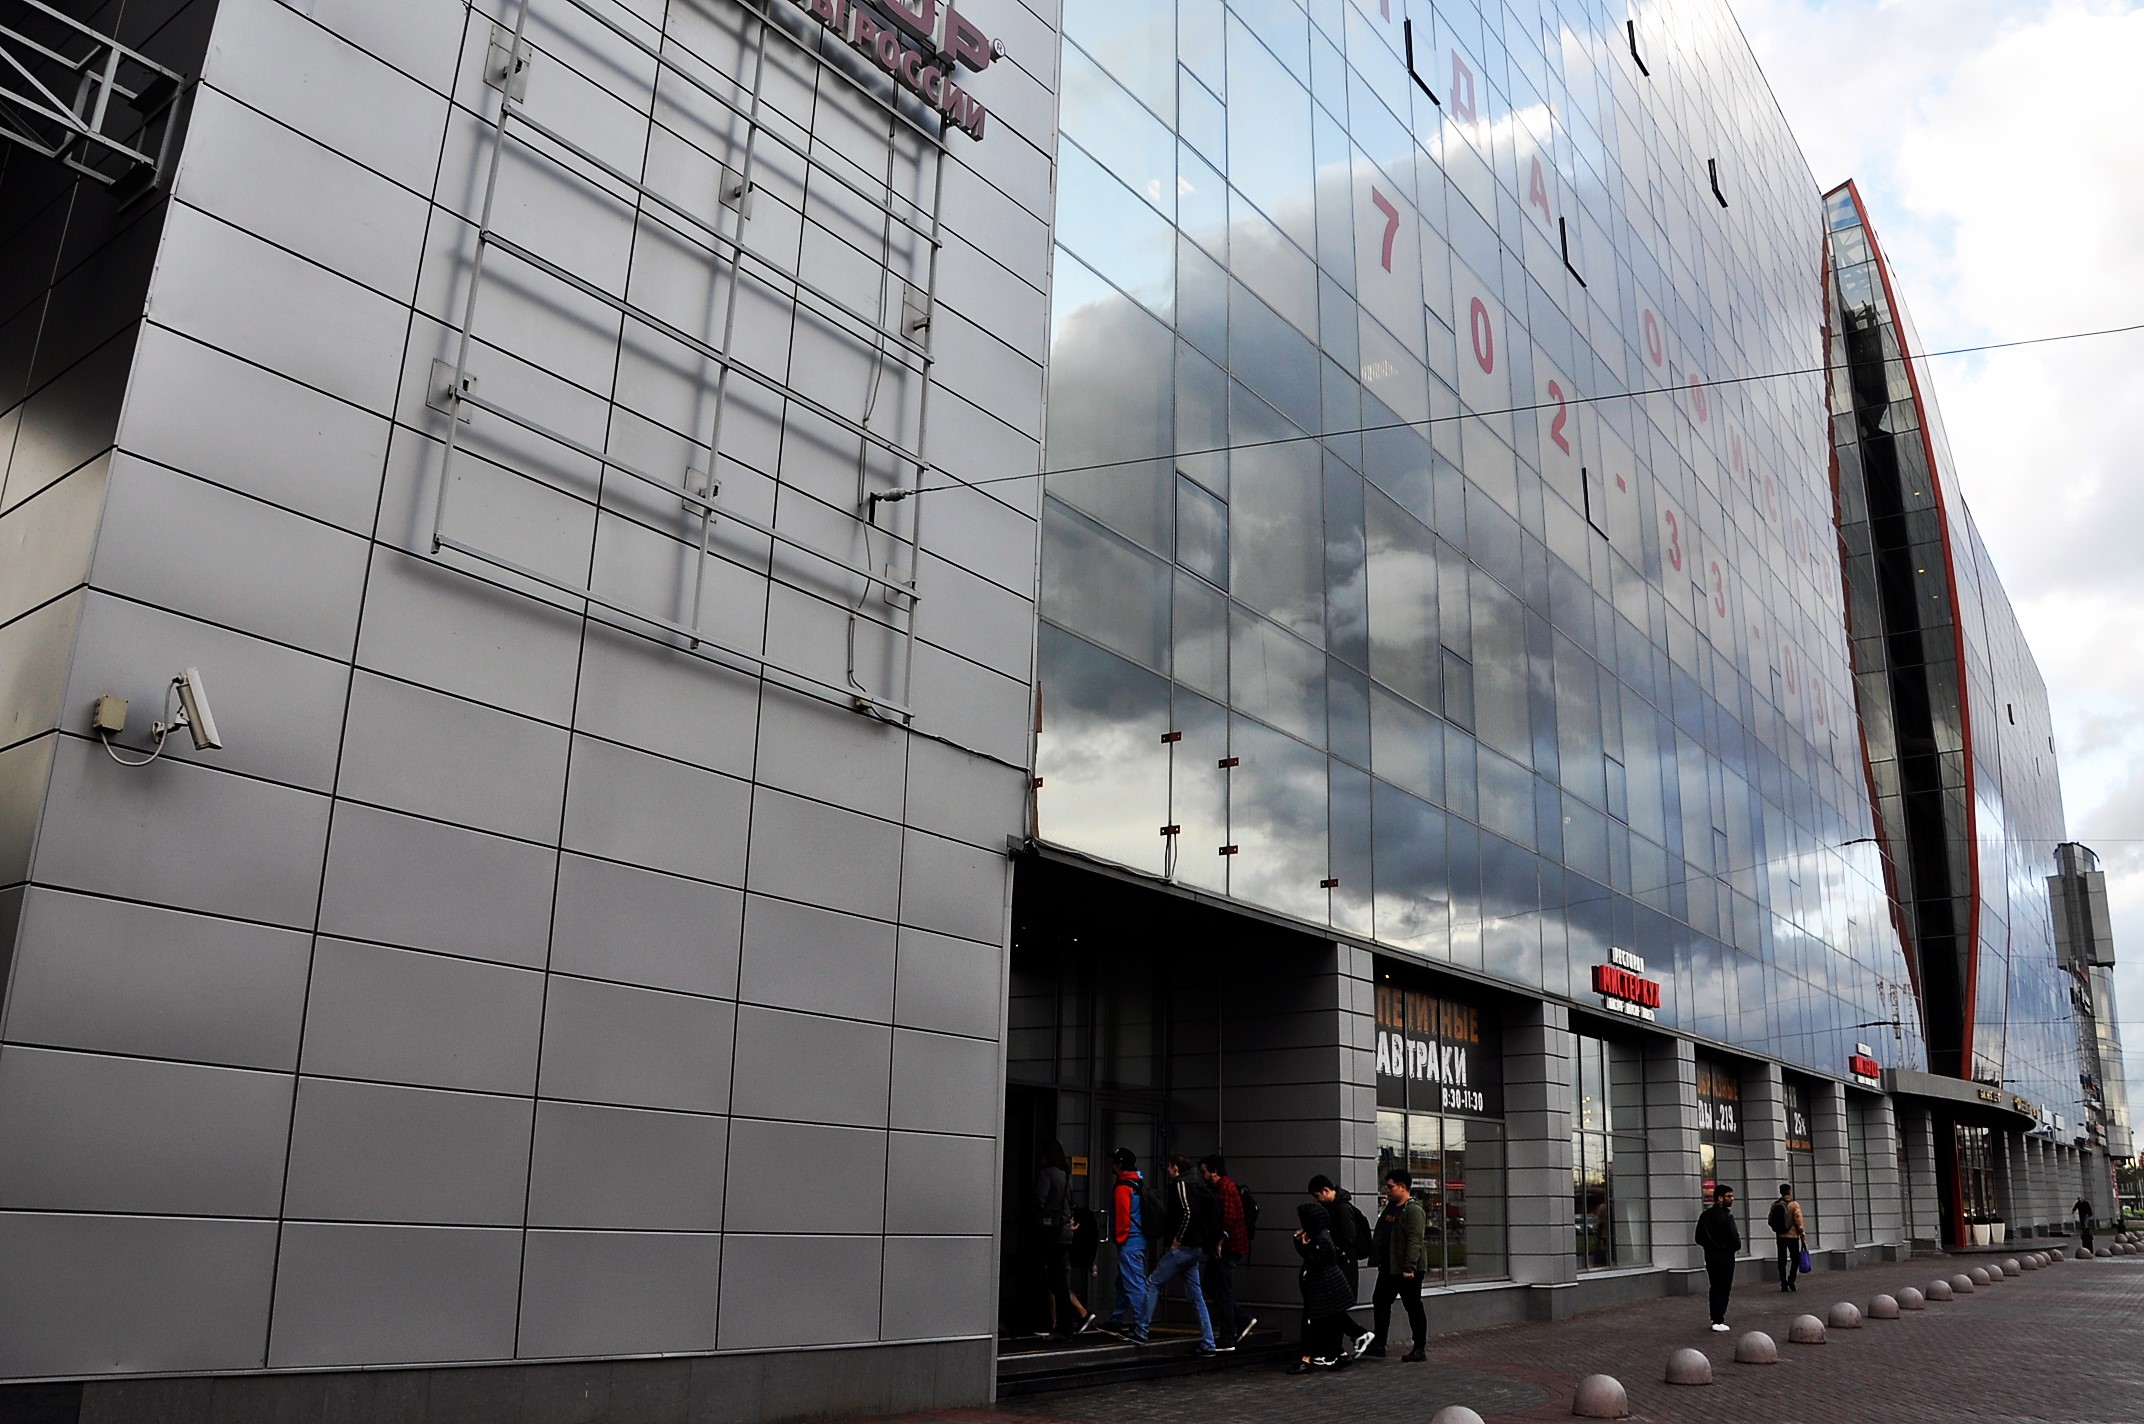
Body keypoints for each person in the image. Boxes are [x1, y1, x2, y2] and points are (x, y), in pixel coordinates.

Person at [1136, 1155, 1220, 1355]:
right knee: (1197, 1297)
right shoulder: (1196, 1184)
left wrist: (1178, 1239)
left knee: (1153, 1283)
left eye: (1169, 1166)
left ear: (1175, 1168)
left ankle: (1141, 1330)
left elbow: (1188, 1213)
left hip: (1184, 1247)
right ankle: (1208, 1342)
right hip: (1196, 1247)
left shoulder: (1181, 1185)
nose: (1167, 1170)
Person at [1366, 1168, 1429, 1361]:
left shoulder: (1413, 1210)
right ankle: (1379, 1344)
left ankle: (1419, 1348)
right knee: (1380, 1301)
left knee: (1413, 1306)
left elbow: (1415, 1240)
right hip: (1389, 1267)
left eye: (1391, 1186)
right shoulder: (1390, 1208)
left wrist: (1409, 1267)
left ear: (1402, 1187)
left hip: (1407, 1270)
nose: (1388, 1190)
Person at [1311, 1174, 1376, 1357]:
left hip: (1343, 1266)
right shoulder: (1336, 1208)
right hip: (1341, 1265)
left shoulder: (1342, 1209)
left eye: (1317, 1195)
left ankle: (1352, 1339)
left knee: (1333, 1307)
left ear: (1326, 1190)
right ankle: (1339, 1350)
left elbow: (1349, 1238)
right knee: (1334, 1308)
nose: (1317, 1200)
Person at [1197, 1155, 1258, 1348]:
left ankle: (1228, 1337)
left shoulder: (1225, 1188)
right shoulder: (1224, 1187)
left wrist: (1219, 1241)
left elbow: (1228, 1219)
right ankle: (1242, 1319)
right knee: (1211, 1285)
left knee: (1221, 1289)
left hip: (1228, 1248)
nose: (1202, 1175)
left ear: (1214, 1171)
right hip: (1229, 1247)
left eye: (1204, 1171)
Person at [1289, 1201, 1356, 1374]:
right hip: (1319, 1289)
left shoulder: (1321, 1239)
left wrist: (1301, 1246)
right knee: (1322, 1325)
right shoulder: (1320, 1235)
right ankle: (1341, 1354)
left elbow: (1316, 1261)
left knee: (1315, 1324)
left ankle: (1307, 1359)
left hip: (1321, 1289)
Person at [1032, 1141, 1084, 1336]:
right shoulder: (1066, 1174)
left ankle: (1060, 1325)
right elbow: (1070, 1202)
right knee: (1060, 1281)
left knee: (1053, 1281)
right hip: (1064, 1233)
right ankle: (1065, 1326)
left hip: (1050, 1232)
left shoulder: (1046, 1174)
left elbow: (1038, 1199)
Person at [1102, 1148, 1149, 1337]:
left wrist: (1118, 1239)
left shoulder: (1123, 1187)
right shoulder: (1137, 1182)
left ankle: (1141, 1328)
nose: (1112, 1165)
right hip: (1139, 1239)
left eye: (1114, 1161)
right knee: (1123, 1283)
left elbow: (1122, 1218)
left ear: (1120, 1164)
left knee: (1134, 1285)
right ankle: (1116, 1319)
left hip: (1129, 1242)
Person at [1694, 1184, 1742, 1331]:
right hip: (1725, 1256)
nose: (1732, 1199)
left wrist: (1709, 1246)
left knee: (1714, 1286)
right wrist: (1731, 1248)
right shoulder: (1727, 1216)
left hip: (1710, 1256)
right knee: (1724, 1287)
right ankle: (1719, 1319)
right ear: (1720, 1198)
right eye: (1729, 1196)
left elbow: (1698, 1237)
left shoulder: (1705, 1216)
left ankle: (1714, 1316)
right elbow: (1734, 1238)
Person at [1768, 1183, 1805, 1291]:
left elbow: (1770, 1220)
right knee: (1795, 1259)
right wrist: (1802, 1233)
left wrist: (1777, 1229)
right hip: (1792, 1236)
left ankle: (1783, 1283)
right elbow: (1798, 1221)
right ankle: (1791, 1279)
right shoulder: (1794, 1205)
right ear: (1789, 1191)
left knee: (1781, 1260)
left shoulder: (1775, 1204)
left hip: (1780, 1236)